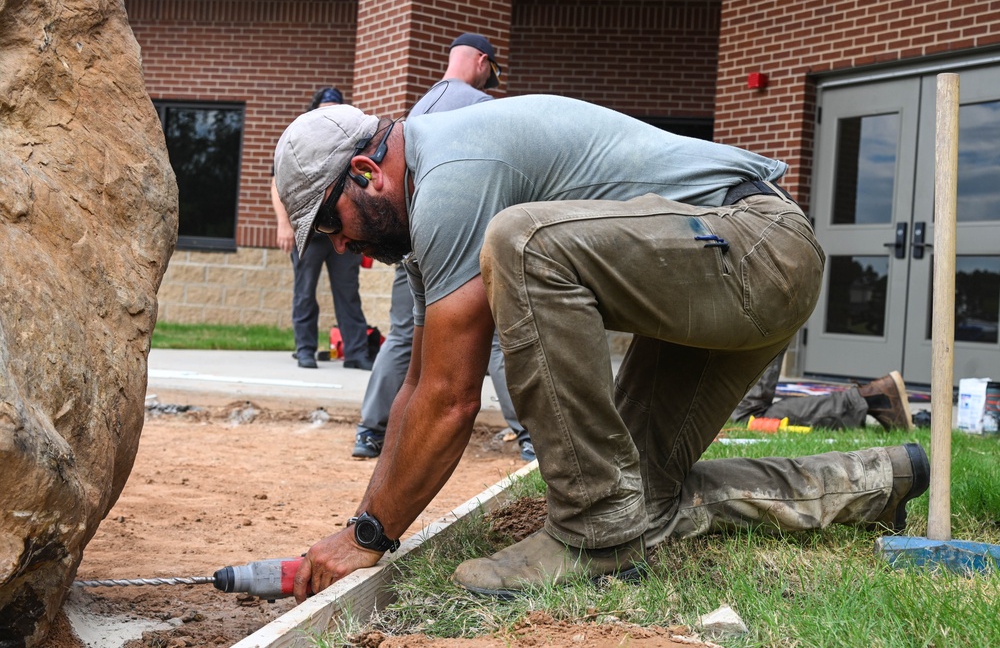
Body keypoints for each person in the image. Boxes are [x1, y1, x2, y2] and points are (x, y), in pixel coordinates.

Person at [272, 94, 930, 602]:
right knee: (641, 502)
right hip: (724, 271)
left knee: (522, 244)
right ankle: (878, 480)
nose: (336, 245)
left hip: (757, 246)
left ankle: (590, 530)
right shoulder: (429, 216)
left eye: (331, 222)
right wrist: (364, 526)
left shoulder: (452, 178)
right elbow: (419, 385)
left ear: (365, 172)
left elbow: (451, 399)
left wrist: (367, 537)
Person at [352, 34, 535, 461]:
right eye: (491, 71)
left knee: (403, 337)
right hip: (460, 243)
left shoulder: (420, 108)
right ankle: (529, 436)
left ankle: (369, 431)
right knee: (491, 340)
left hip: (411, 242)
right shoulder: (482, 105)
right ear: (482, 62)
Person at [270, 87, 373, 370]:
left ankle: (357, 354)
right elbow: (278, 185)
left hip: (345, 232)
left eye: (335, 107)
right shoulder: (298, 140)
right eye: (325, 107)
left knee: (348, 294)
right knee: (305, 293)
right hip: (310, 234)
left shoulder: (353, 141)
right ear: (314, 110)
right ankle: (305, 350)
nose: (329, 112)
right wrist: (284, 224)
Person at [730, 348, 915, 430]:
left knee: (748, 416)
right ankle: (870, 397)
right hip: (757, 302)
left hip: (757, 303)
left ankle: (873, 398)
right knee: (745, 414)